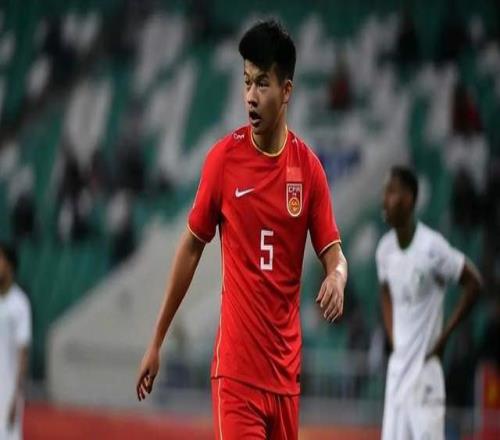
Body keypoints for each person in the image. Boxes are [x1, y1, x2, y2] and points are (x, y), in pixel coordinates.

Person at [136, 19, 348, 439]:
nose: (251, 96)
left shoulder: (309, 171)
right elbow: (191, 248)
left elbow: (334, 254)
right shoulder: (223, 161)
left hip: (285, 381)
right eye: (247, 82)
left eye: (263, 83)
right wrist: (157, 340)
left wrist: (337, 278)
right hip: (236, 377)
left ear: (286, 91)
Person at [376, 166, 482, 440]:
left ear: (409, 199)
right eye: (385, 192)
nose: (385, 199)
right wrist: (393, 336)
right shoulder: (385, 250)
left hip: (425, 374)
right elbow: (385, 290)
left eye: (392, 192)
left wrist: (443, 339)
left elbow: (474, 284)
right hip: (398, 373)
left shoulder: (432, 247)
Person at [0, 243, 31, 440]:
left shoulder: (20, 304)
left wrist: (16, 396)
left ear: (10, 265)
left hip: (7, 394)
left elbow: (23, 352)